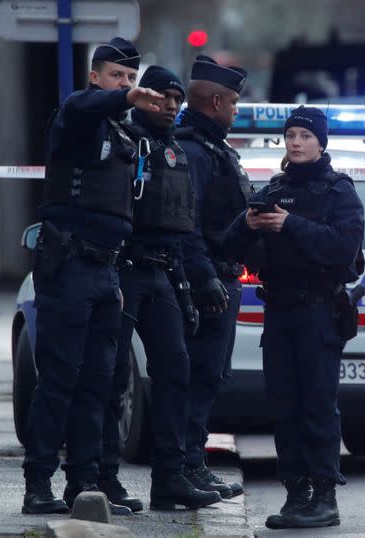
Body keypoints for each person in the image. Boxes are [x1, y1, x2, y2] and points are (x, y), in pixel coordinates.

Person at [20, 37, 163, 515]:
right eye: (117, 77)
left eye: (130, 78)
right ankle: (37, 484)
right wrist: (124, 98)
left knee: (101, 384)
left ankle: (84, 485)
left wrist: (116, 278)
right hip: (69, 266)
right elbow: (85, 107)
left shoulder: (121, 133)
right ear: (95, 77)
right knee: (59, 380)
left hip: (105, 271)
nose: (126, 85)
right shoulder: (77, 117)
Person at [224, 106, 365, 529]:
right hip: (280, 312)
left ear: (321, 142)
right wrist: (249, 223)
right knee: (284, 407)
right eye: (291, 136)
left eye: (305, 135)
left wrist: (291, 225)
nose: (297, 143)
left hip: (319, 311)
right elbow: (228, 245)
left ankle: (324, 496)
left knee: (317, 406)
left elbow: (344, 248)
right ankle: (295, 494)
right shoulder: (275, 188)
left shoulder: (339, 191)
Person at [105, 65, 222, 511]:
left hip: (161, 273)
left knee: (175, 371)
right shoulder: (123, 141)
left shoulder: (177, 152)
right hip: (124, 271)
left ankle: (169, 479)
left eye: (177, 99)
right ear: (144, 97)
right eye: (162, 97)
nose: (171, 106)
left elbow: (184, 227)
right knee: (113, 375)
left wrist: (192, 283)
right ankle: (104, 479)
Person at [176, 55, 249, 498]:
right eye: (235, 103)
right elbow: (188, 225)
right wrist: (205, 281)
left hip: (220, 279)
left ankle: (192, 464)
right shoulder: (193, 151)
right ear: (216, 101)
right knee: (199, 377)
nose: (236, 111)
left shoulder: (214, 148)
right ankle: (187, 466)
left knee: (211, 376)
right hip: (207, 284)